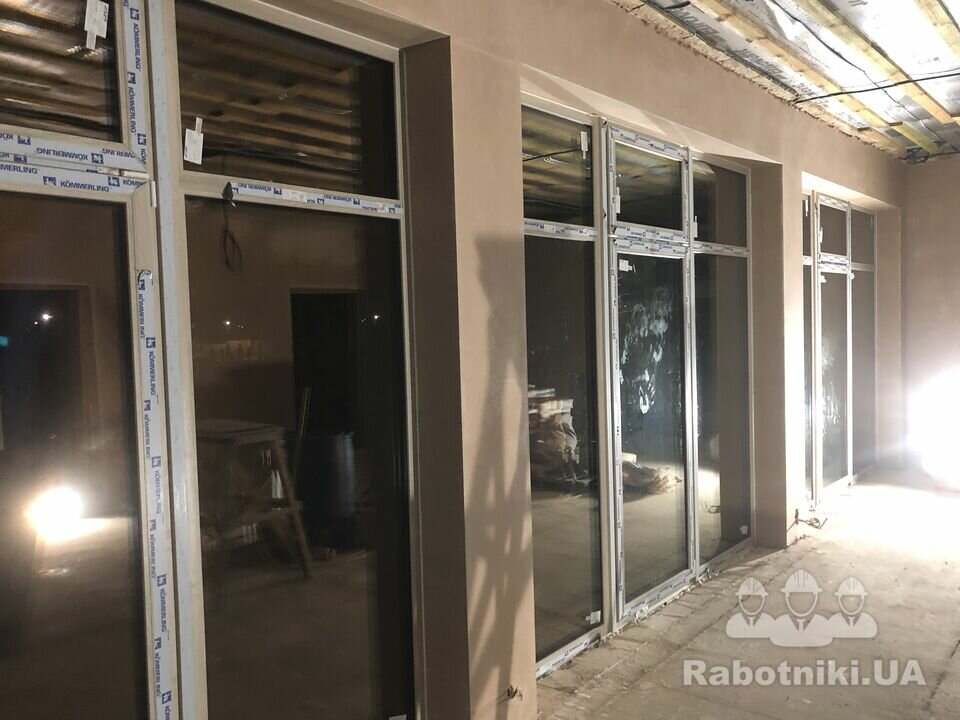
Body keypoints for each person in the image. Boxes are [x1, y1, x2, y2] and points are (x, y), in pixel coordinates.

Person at [769, 569, 833, 647]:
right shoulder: (781, 623)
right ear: (787, 597)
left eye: (807, 596)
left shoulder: (821, 623)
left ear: (815, 597)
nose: (801, 602)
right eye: (794, 596)